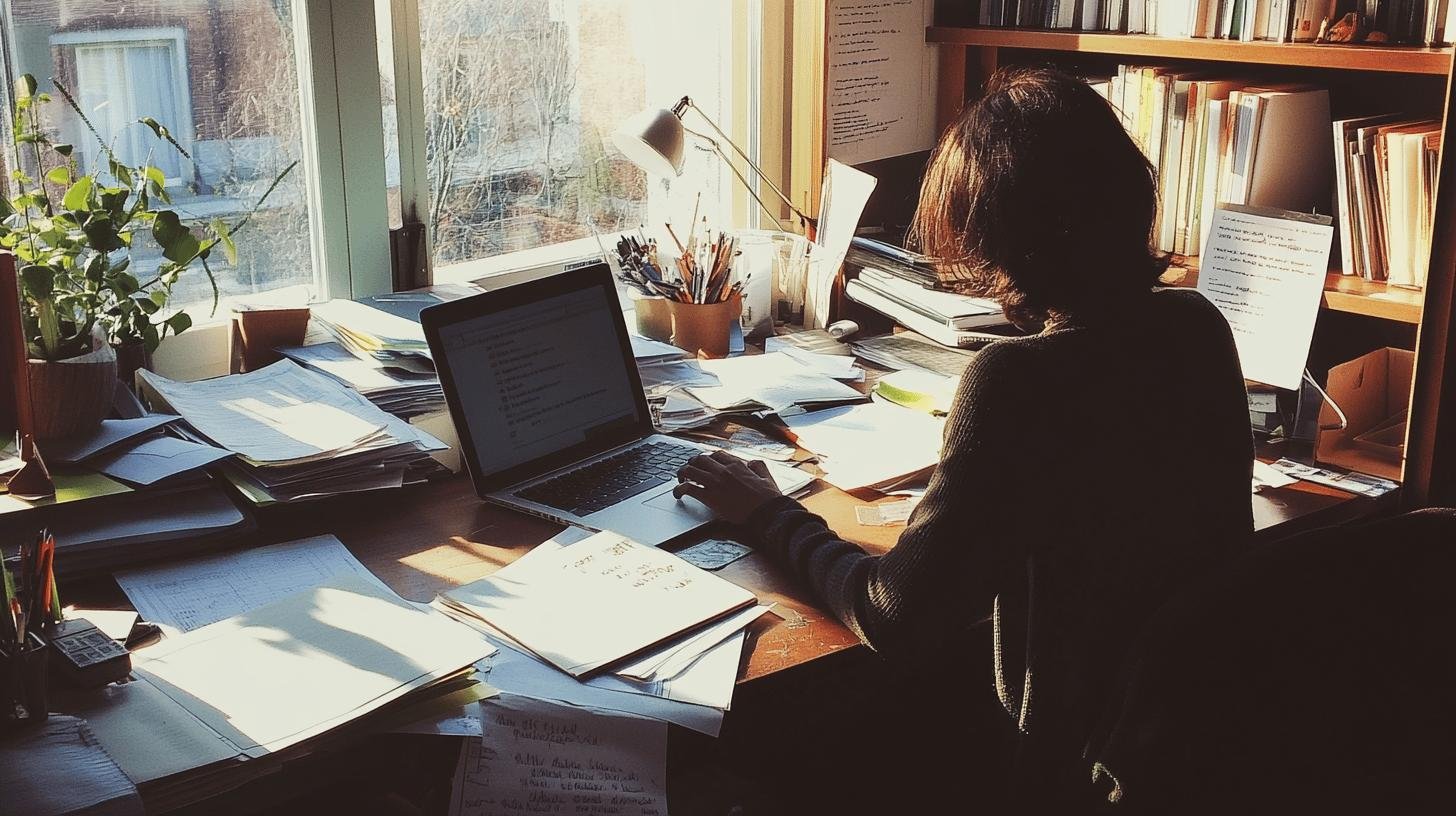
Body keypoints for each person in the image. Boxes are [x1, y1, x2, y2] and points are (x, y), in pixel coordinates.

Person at [675, 67, 1254, 808]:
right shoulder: (1198, 327)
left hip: (1061, 770)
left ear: (1004, 236)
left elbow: (893, 615)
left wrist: (768, 512)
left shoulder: (1016, 379)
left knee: (778, 739)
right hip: (1180, 747)